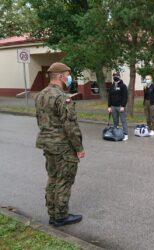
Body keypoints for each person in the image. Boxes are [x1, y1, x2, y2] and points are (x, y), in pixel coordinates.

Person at [35, 62, 85, 227]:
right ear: (61, 76)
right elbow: (70, 126)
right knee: (64, 180)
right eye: (68, 74)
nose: (69, 77)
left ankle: (52, 213)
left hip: (47, 144)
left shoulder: (41, 95)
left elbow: (40, 120)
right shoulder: (62, 97)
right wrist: (79, 148)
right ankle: (61, 216)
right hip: (62, 146)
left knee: (53, 178)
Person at [108, 72, 129, 141]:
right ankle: (116, 133)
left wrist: (123, 106)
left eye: (116, 75)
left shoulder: (123, 86)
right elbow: (109, 96)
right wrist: (109, 106)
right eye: (114, 76)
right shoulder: (112, 86)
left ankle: (125, 134)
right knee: (115, 121)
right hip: (113, 107)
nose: (115, 77)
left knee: (123, 121)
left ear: (119, 77)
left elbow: (125, 97)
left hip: (120, 106)